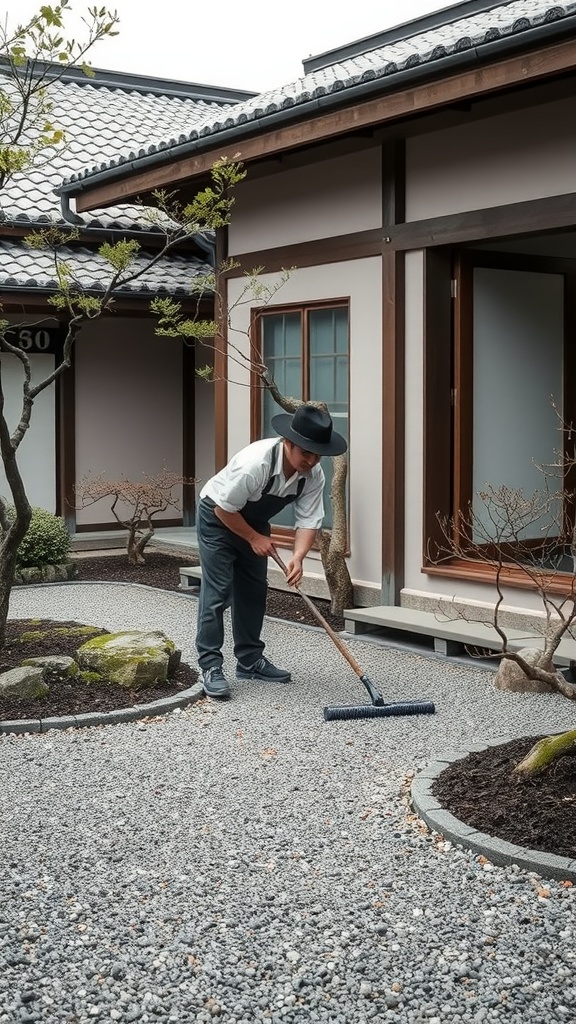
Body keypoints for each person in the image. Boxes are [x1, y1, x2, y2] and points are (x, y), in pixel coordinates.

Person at [195, 404, 348, 698]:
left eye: (317, 454)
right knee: (218, 592)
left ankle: (250, 660)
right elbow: (223, 509)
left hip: (252, 522)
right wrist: (253, 538)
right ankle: (211, 665)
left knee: (254, 590)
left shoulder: (313, 476)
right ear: (288, 443)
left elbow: (308, 521)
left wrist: (298, 558)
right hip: (218, 518)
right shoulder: (256, 463)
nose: (312, 460)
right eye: (306, 452)